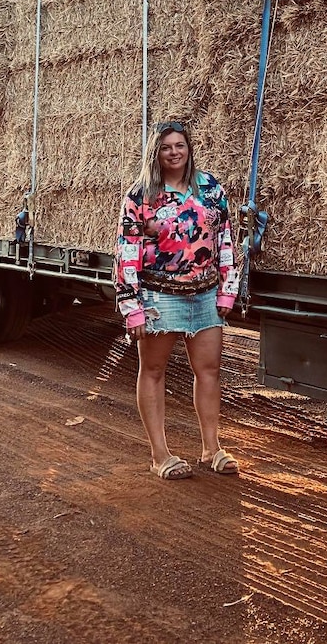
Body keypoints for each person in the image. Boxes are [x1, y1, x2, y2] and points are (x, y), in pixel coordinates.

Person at [114, 119, 241, 480]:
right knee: (153, 371)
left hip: (204, 293)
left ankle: (211, 448)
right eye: (166, 147)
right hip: (158, 295)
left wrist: (227, 288)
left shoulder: (209, 188)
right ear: (156, 153)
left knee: (210, 371)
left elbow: (226, 239)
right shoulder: (140, 196)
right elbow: (127, 252)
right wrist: (131, 305)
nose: (174, 152)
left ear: (189, 149)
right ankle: (160, 455)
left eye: (179, 145)